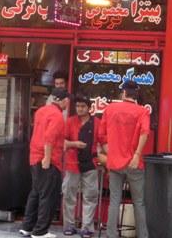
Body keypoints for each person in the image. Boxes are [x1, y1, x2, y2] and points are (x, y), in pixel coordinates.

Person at [98, 81, 150, 238]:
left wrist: (111, 152)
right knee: (138, 202)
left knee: (114, 200)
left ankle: (111, 235)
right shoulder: (142, 112)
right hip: (134, 163)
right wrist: (137, 155)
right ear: (135, 94)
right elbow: (145, 132)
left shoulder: (110, 109)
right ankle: (143, 236)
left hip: (115, 163)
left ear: (124, 93)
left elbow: (101, 135)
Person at [20, 88, 70, 238]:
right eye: (67, 101)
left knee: (36, 193)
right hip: (48, 160)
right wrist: (47, 159)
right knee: (48, 196)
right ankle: (40, 231)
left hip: (34, 157)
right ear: (63, 100)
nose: (68, 104)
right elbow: (49, 138)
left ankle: (27, 227)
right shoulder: (57, 116)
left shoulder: (41, 111)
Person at [62, 96, 100, 238]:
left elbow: (103, 141)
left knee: (90, 196)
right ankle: (69, 225)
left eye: (83, 106)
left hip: (90, 163)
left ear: (89, 107)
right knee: (68, 195)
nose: (80, 109)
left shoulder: (97, 123)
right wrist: (74, 144)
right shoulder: (70, 121)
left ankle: (87, 227)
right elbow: (62, 141)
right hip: (72, 163)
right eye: (77, 106)